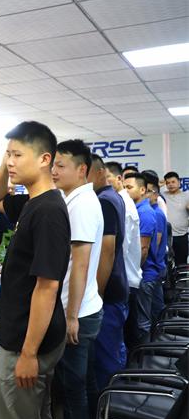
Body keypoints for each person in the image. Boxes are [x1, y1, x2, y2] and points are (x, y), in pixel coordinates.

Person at [0, 121, 69, 419]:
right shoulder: (31, 203)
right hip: (32, 334)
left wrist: (28, 353)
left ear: (44, 159)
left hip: (27, 341)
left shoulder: (48, 211)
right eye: (8, 154)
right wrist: (7, 158)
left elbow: (47, 287)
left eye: (18, 155)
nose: (10, 162)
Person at [50, 139, 104, 419]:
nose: (54, 171)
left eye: (61, 166)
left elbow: (79, 265)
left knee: (73, 390)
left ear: (82, 169)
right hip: (85, 307)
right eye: (53, 165)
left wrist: (71, 316)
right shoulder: (75, 200)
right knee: (84, 381)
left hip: (78, 312)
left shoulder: (81, 205)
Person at [87, 155, 129, 392]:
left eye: (87, 174)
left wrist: (98, 293)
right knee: (114, 350)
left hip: (109, 289)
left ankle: (111, 406)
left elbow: (107, 251)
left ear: (100, 172)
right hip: (117, 284)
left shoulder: (103, 201)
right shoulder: (114, 196)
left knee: (107, 359)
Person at [107, 162, 142, 352]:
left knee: (124, 338)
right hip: (127, 277)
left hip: (125, 278)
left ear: (118, 178)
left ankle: (129, 369)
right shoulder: (120, 201)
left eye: (107, 178)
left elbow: (121, 248)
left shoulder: (122, 204)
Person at [123, 172, 158, 348]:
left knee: (142, 323)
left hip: (144, 274)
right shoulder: (137, 209)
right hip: (142, 273)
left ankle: (143, 358)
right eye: (123, 187)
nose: (125, 191)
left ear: (143, 190)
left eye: (129, 187)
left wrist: (133, 271)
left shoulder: (144, 213)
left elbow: (143, 250)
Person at [142, 171, 167, 324]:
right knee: (156, 309)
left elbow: (155, 243)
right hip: (155, 267)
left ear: (155, 194)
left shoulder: (155, 213)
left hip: (153, 268)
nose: (145, 195)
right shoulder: (152, 211)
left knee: (153, 312)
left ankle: (159, 336)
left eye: (148, 191)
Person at [163, 171, 189, 265]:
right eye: (168, 183)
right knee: (166, 264)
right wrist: (158, 184)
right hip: (166, 236)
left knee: (181, 264)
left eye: (173, 182)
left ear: (179, 182)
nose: (170, 185)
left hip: (181, 236)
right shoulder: (162, 195)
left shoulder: (187, 196)